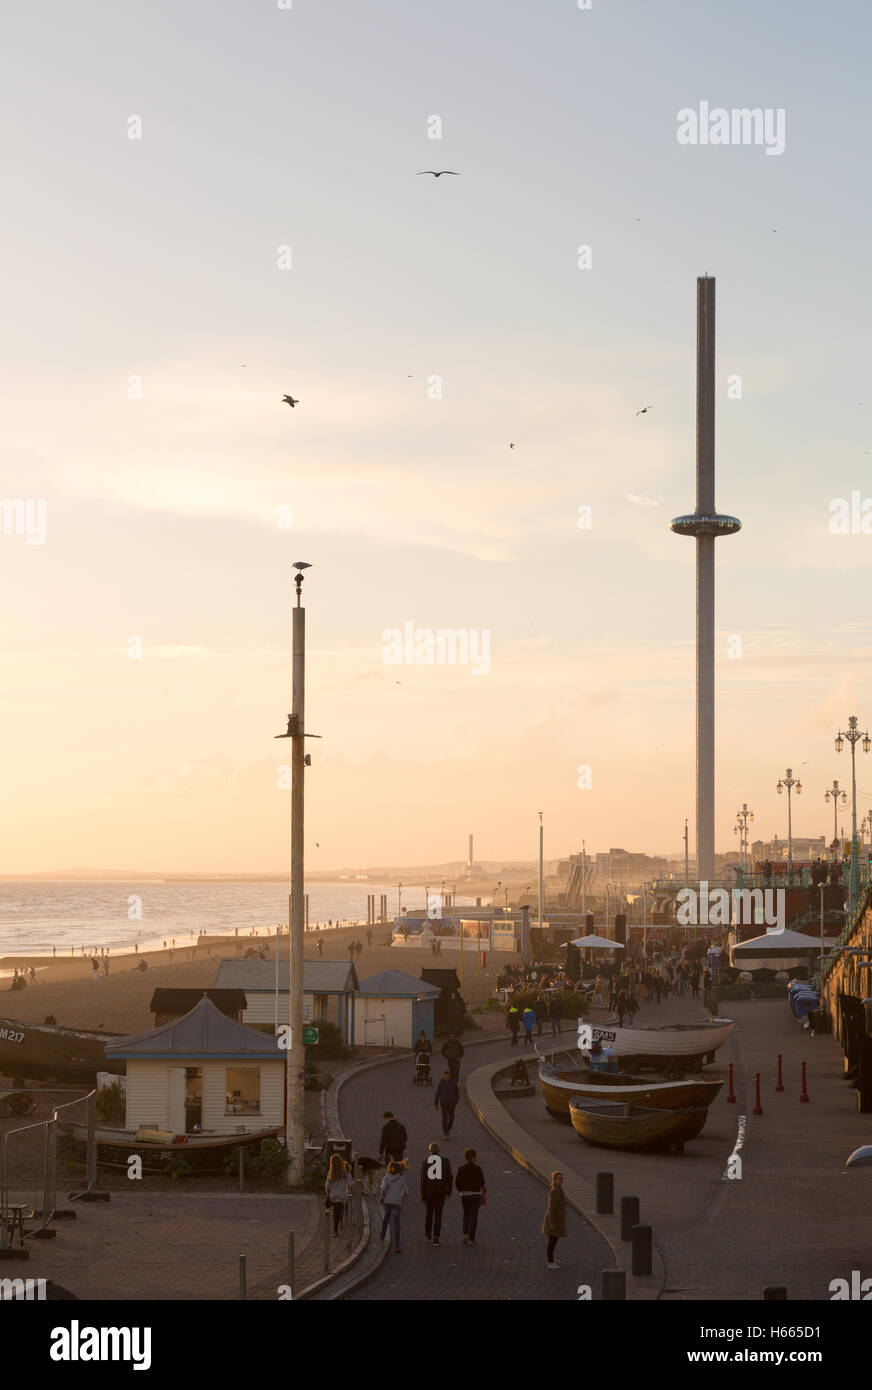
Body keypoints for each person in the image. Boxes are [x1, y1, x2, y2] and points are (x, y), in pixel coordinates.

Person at [420, 1141, 452, 1245]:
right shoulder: (445, 1162)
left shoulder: (425, 1163)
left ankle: (427, 1231)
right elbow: (449, 1178)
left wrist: (423, 1196)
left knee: (429, 1212)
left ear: (430, 1151)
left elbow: (423, 1181)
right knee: (438, 1214)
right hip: (441, 1192)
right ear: (439, 1151)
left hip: (429, 1192)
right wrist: (449, 1191)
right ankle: (436, 1237)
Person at [455, 1147, 486, 1245]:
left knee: (466, 1215)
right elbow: (482, 1182)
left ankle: (465, 1234)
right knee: (474, 1217)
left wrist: (461, 1191)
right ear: (472, 1158)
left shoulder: (461, 1168)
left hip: (465, 1195)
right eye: (475, 1156)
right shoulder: (478, 1169)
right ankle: (471, 1238)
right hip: (476, 1195)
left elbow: (457, 1182)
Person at [379, 1161, 408, 1252]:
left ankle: (382, 1234)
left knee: (386, 1217)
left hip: (388, 1201)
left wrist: (382, 1197)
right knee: (396, 1223)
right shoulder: (401, 1178)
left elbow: (383, 1188)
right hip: (397, 1202)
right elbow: (406, 1191)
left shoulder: (386, 1178)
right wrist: (402, 1196)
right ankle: (396, 1246)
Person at [541, 1170, 568, 1269]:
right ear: (555, 1180)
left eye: (562, 1178)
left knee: (554, 1240)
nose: (561, 1180)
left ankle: (551, 1258)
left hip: (557, 1219)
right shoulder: (555, 1191)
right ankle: (550, 1262)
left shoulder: (559, 1189)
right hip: (554, 1220)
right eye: (559, 1179)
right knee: (552, 1241)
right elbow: (551, 1208)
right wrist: (552, 1223)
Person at [325, 1152, 353, 1235]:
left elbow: (327, 1185)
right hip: (342, 1195)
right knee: (341, 1208)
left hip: (334, 1196)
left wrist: (328, 1193)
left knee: (335, 1212)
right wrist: (349, 1190)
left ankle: (335, 1229)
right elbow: (349, 1184)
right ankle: (340, 1222)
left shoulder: (330, 1173)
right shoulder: (344, 1173)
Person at [434, 1070, 460, 1137]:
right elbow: (437, 1093)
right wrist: (436, 1104)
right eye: (445, 1077)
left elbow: (457, 1093)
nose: (446, 1078)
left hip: (452, 1104)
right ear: (443, 1077)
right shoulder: (441, 1083)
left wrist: (456, 1102)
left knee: (451, 1119)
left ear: (450, 1077)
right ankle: (446, 1133)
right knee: (444, 1118)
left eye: (447, 1077)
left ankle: (447, 1128)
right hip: (443, 1103)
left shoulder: (453, 1083)